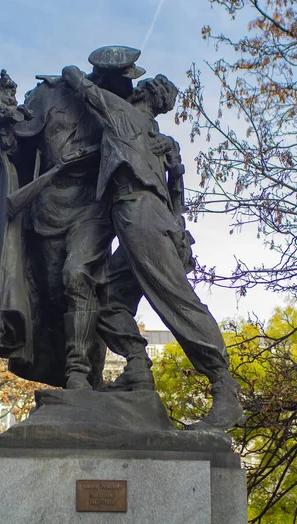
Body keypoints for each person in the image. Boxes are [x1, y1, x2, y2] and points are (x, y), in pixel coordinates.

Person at [62, 65, 245, 430]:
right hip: (152, 219)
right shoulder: (161, 139)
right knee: (107, 300)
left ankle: (224, 388)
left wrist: (69, 73)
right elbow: (178, 196)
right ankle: (137, 368)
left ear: (142, 95)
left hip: (138, 214)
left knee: (174, 298)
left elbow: (82, 86)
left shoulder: (124, 114)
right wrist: (178, 231)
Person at [0, 48, 148, 390]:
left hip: (92, 209)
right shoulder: (50, 93)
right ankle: (76, 378)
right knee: (53, 298)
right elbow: (21, 143)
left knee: (78, 276)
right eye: (124, 79)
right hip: (47, 210)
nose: (128, 87)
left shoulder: (119, 108)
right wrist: (4, 130)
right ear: (104, 75)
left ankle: (79, 372)